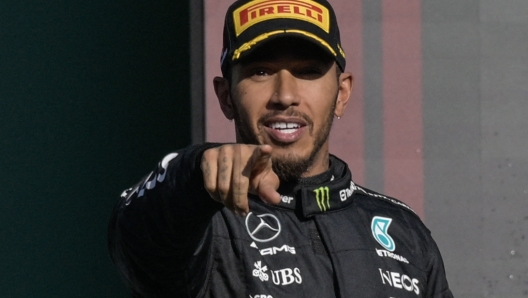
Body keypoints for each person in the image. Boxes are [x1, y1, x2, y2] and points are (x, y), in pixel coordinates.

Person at [108, 0, 454, 297]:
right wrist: (194, 170)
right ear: (225, 96)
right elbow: (140, 235)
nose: (285, 95)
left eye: (308, 72)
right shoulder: (202, 224)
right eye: (260, 71)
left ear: (342, 94)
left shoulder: (403, 230)